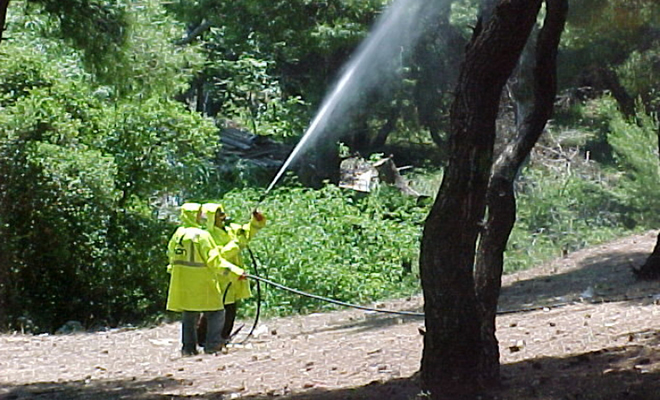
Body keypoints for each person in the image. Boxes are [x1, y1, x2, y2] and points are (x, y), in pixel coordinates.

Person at [166, 202, 247, 356]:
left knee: (189, 314)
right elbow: (214, 260)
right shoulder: (202, 236)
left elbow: (170, 256)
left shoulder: (178, 234)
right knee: (217, 312)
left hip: (182, 282)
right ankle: (213, 344)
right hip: (202, 281)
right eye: (198, 214)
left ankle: (188, 349)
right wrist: (235, 272)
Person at [199, 202, 266, 345]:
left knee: (230, 310)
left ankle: (222, 338)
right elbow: (219, 255)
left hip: (233, 278)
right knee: (214, 311)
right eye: (219, 214)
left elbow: (247, 233)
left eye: (223, 213)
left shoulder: (232, 230)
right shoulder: (207, 236)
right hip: (219, 279)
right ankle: (204, 340)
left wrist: (256, 221)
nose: (224, 217)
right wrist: (237, 244)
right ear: (211, 218)